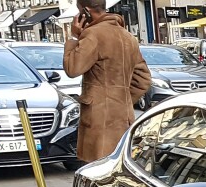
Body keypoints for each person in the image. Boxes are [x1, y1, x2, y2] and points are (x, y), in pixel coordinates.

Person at [64, 0, 150, 163]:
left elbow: (72, 68)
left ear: (86, 12)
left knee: (97, 171)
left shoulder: (93, 35)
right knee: (118, 167)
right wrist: (122, 100)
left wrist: (74, 37)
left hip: (99, 118)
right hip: (123, 117)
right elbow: (143, 79)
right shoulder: (128, 37)